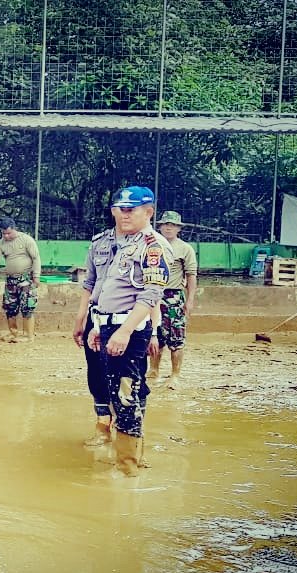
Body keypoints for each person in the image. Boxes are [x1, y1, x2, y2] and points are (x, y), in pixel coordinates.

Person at [82, 186, 172, 477]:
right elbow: (106, 289)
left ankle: (127, 470)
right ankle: (131, 458)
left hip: (129, 330)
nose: (124, 214)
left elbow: (150, 295)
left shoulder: (152, 246)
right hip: (108, 325)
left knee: (126, 396)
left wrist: (124, 331)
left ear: (149, 211)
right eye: (119, 209)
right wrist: (98, 326)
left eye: (131, 209)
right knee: (117, 391)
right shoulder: (120, 244)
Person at [149, 211, 197, 389]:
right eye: (165, 224)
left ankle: (175, 374)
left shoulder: (185, 249)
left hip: (173, 297)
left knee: (176, 337)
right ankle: (153, 369)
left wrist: (189, 300)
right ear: (160, 226)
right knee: (154, 334)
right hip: (153, 294)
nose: (169, 227)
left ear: (179, 228)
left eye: (173, 225)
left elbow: (191, 275)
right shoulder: (151, 245)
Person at [0, 217, 42, 342]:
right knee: (10, 308)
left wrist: (36, 276)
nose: (6, 236)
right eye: (4, 233)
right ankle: (13, 333)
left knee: (27, 307)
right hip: (10, 281)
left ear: (14, 229)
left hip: (26, 280)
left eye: (8, 233)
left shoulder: (26, 240)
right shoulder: (1, 243)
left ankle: (29, 336)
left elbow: (36, 258)